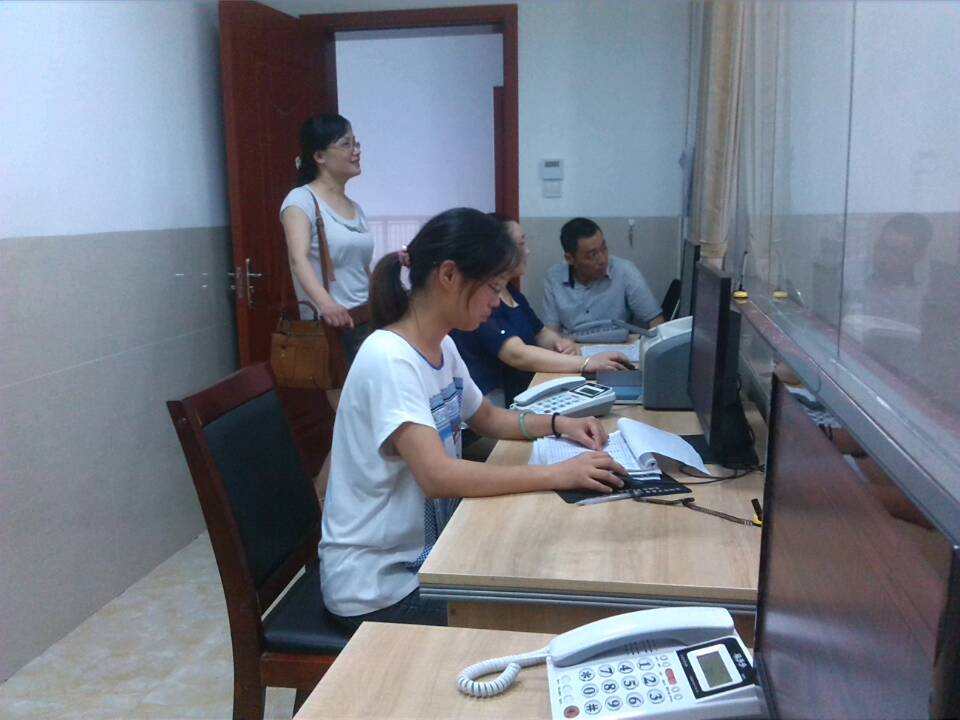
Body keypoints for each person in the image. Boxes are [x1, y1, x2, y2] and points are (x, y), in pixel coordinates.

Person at [319, 208, 626, 632]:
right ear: (449, 275)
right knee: (544, 613)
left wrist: (560, 424)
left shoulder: (442, 347)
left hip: (427, 561)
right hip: (379, 589)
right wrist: (558, 474)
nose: (496, 303)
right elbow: (438, 477)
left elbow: (488, 419)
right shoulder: (390, 359)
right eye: (493, 288)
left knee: (544, 567)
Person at [451, 215, 634, 408]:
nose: (527, 251)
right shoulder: (482, 299)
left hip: (526, 392)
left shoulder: (511, 291)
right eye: (521, 244)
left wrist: (561, 344)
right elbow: (517, 354)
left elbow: (540, 332)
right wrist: (586, 362)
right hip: (494, 403)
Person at [280, 114, 374, 360]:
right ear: (320, 156)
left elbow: (362, 268)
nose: (356, 151)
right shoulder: (301, 200)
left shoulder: (355, 207)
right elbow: (298, 259)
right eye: (346, 144)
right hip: (333, 324)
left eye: (356, 143)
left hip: (365, 316)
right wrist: (326, 304)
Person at [543, 217, 664, 334]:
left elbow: (656, 321)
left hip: (618, 343)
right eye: (592, 255)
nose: (602, 260)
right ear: (570, 259)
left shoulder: (624, 271)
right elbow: (550, 333)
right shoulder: (554, 278)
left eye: (604, 248)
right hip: (573, 345)